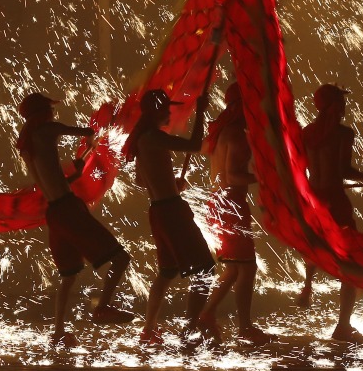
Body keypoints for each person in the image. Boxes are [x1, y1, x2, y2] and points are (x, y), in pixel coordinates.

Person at [15, 92, 133, 349]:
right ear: (43, 112)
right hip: (68, 210)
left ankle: (58, 332)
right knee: (121, 257)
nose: (53, 113)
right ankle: (103, 308)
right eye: (50, 109)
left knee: (69, 275)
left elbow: (51, 184)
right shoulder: (46, 129)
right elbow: (86, 130)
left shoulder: (28, 144)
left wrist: (75, 173)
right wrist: (110, 120)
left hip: (55, 212)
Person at [125, 88, 216, 346]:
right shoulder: (153, 137)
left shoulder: (142, 139)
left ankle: (148, 329)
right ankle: (190, 330)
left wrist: (171, 183)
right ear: (157, 111)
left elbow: (141, 180)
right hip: (173, 212)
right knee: (205, 270)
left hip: (158, 210)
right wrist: (201, 112)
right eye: (166, 108)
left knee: (166, 272)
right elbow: (195, 145)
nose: (170, 112)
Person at [300, 83, 363, 344]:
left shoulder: (306, 133)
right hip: (335, 202)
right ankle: (343, 326)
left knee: (314, 246)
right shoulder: (343, 134)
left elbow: (300, 169)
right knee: (352, 263)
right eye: (340, 102)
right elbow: (344, 171)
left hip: (313, 201)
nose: (344, 107)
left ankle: (307, 285)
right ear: (332, 106)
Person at [196, 83, 271, 344]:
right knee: (246, 268)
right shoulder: (237, 134)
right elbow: (232, 175)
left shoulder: (220, 133)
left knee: (234, 269)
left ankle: (207, 315)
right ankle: (244, 327)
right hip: (231, 205)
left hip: (220, 203)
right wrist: (264, 179)